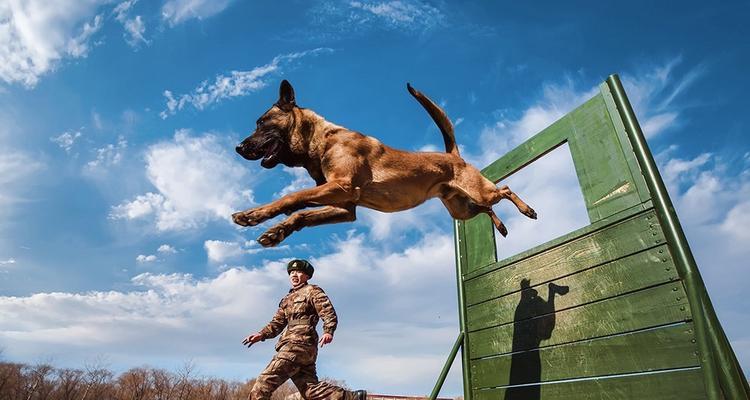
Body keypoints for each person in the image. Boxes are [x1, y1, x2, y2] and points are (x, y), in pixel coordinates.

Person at [243, 259, 367, 400]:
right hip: (300, 349)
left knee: (264, 383)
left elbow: (327, 311)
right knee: (310, 390)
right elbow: (277, 323)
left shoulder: (312, 291)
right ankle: (353, 397)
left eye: (299, 272)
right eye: (292, 272)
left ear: (307, 276)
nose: (294, 275)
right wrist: (261, 334)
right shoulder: (287, 299)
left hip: (297, 345)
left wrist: (328, 331)